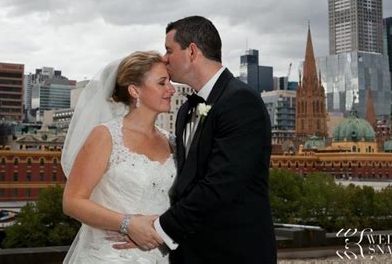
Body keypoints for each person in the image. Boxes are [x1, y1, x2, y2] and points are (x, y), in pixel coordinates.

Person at [120, 16, 277, 263]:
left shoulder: (241, 102)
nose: (164, 58)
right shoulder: (184, 110)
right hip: (189, 254)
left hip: (233, 253)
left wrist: (158, 230)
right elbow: (185, 183)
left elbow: (220, 185)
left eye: (169, 50)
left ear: (192, 51)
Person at [61, 51, 176, 263]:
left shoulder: (173, 142)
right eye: (162, 83)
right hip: (111, 256)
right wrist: (128, 224)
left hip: (162, 255)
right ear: (134, 90)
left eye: (169, 81)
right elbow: (72, 201)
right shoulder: (105, 136)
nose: (172, 89)